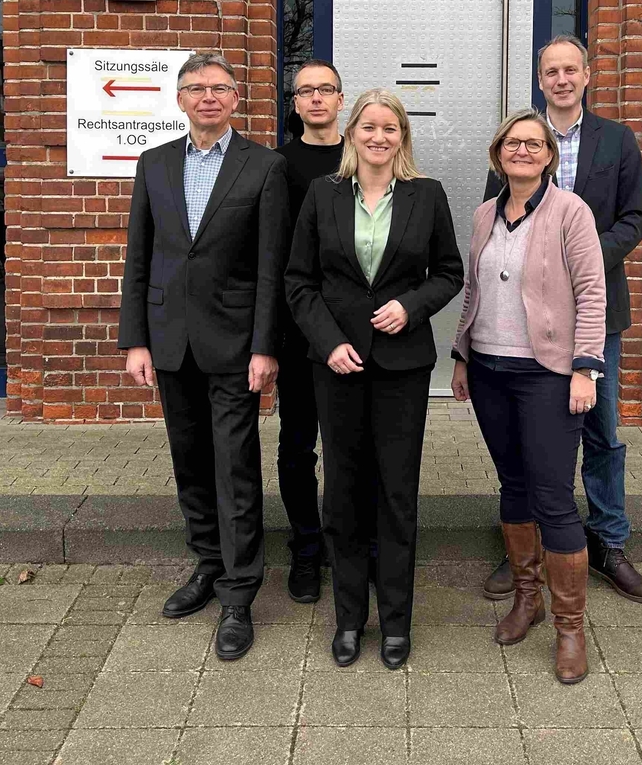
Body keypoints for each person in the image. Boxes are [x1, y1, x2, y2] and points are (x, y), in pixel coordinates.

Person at [117, 52, 289, 662]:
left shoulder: (264, 166)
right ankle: (208, 563)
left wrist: (266, 346)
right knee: (189, 461)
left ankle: (239, 593)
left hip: (235, 345)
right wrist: (136, 339)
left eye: (219, 87)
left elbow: (271, 266)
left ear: (236, 98)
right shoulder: (155, 163)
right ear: (180, 99)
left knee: (235, 467)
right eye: (196, 88)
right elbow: (140, 256)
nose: (208, 97)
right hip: (169, 342)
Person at [285, 90, 463, 669]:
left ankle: (395, 621)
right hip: (336, 364)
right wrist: (327, 341)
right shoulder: (324, 193)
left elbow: (449, 272)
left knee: (396, 493)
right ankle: (348, 619)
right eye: (369, 127)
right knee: (342, 492)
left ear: (402, 136)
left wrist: (411, 306)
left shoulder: (426, 194)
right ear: (352, 133)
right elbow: (299, 281)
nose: (379, 137)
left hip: (401, 367)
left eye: (390, 128)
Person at [480, 35, 642, 604]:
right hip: (526, 320)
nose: (561, 79)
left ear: (586, 75)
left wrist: (579, 260)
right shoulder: (518, 141)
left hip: (597, 309)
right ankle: (527, 547)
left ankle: (608, 542)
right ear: (540, 79)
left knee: (600, 428)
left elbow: (634, 219)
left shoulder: (617, 140)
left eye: (570, 70)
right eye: (551, 71)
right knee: (530, 432)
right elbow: (496, 220)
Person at [452, 109, 606, 685]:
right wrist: (462, 355)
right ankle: (527, 598)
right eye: (512, 143)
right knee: (512, 485)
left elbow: (592, 292)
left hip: (548, 373)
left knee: (553, 498)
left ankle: (571, 627)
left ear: (549, 155)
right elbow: (472, 288)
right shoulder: (484, 214)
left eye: (533, 144)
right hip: (489, 369)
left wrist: (586, 368)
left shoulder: (570, 211)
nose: (522, 151)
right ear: (499, 154)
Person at [274, 61, 346, 603]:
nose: (316, 98)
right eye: (306, 91)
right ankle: (305, 545)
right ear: (295, 103)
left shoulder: (364, 154)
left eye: (326, 89)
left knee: (351, 446)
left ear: (341, 99)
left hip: (354, 326)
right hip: (298, 325)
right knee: (298, 445)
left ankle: (349, 543)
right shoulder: (276, 165)